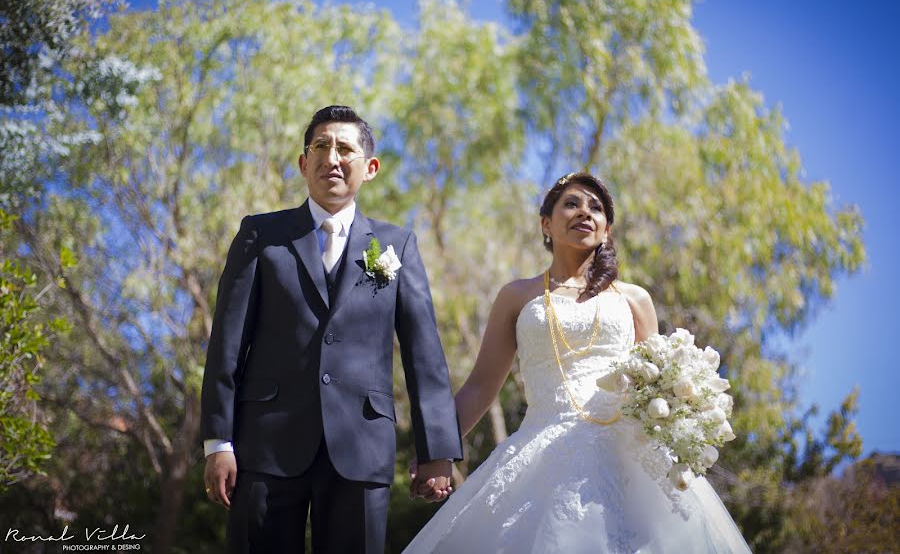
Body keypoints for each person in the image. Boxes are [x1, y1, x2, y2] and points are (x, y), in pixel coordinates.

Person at [404, 172, 751, 553]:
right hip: (542, 450)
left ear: (606, 231)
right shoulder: (517, 296)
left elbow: (659, 388)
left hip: (630, 460)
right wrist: (434, 451)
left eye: (596, 208)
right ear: (546, 224)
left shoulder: (635, 299)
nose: (584, 212)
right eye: (571, 203)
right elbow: (481, 387)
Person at [200, 105, 462, 553]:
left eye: (345, 148)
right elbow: (226, 344)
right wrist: (217, 442)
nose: (332, 157)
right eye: (320, 146)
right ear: (304, 163)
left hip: (362, 450)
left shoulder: (395, 245)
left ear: (370, 168)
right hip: (265, 447)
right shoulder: (260, 236)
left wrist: (436, 449)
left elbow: (424, 354)